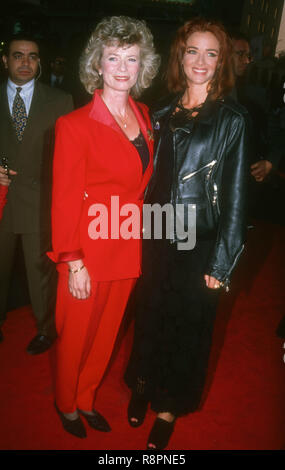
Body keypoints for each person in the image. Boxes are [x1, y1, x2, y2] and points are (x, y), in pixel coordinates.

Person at [124, 18, 249, 450]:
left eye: (211, 53)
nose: (201, 61)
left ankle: (168, 407)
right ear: (180, 56)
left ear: (221, 62)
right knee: (151, 314)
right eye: (192, 51)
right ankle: (142, 383)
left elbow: (235, 198)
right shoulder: (157, 112)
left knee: (188, 324)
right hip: (155, 232)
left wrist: (222, 262)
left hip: (200, 241)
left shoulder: (232, 119)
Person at [47, 16, 160, 438]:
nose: (122, 67)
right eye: (113, 57)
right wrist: (73, 261)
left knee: (107, 335)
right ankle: (65, 403)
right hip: (87, 252)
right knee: (76, 335)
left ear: (142, 65)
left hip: (127, 246)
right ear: (97, 64)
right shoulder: (73, 125)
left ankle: (87, 398)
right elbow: (62, 201)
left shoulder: (145, 114)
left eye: (132, 59)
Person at [0, 34, 73, 353]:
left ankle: (46, 328)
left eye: (32, 56)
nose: (25, 62)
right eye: (18, 56)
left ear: (39, 61)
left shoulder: (60, 101)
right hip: (0, 201)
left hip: (39, 201)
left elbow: (70, 156)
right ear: (5, 61)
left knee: (40, 271)